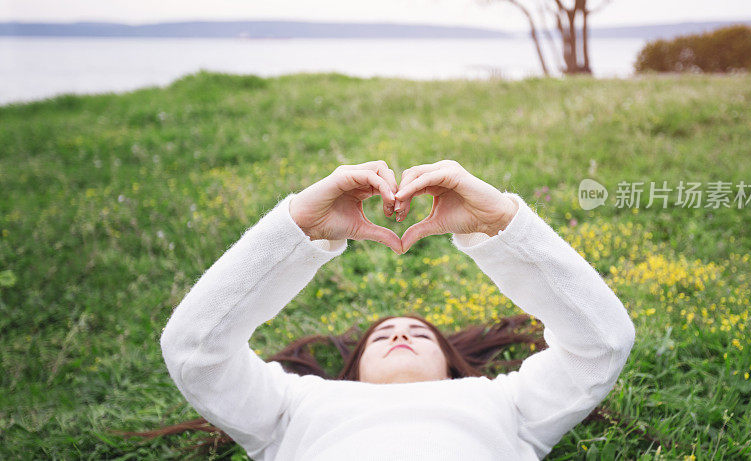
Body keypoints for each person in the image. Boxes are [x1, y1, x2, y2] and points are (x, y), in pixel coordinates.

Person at [158, 159, 636, 460]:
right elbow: (195, 350)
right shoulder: (293, 407)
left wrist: (500, 224)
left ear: (452, 367)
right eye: (383, 335)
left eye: (419, 333)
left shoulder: (505, 404)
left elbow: (602, 342)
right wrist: (298, 227)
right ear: (353, 368)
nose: (401, 335)